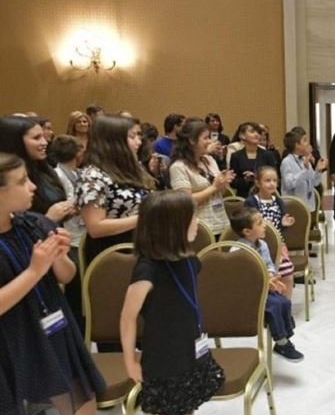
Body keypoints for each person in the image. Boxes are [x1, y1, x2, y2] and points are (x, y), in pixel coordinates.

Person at [0, 152, 104, 415]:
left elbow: (67, 276)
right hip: (11, 340)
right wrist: (34, 271)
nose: (33, 186)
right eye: (22, 181)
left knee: (82, 409)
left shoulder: (34, 223)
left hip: (54, 331)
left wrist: (58, 257)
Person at [120, 191, 225, 415]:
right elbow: (127, 317)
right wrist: (129, 360)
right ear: (173, 226)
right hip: (163, 356)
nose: (198, 222)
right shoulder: (147, 269)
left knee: (187, 407)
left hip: (189, 346)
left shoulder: (187, 259)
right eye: (192, 217)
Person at [77, 116, 155, 278]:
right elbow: (96, 227)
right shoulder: (92, 175)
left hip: (140, 244)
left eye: (138, 136)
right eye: (132, 136)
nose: (138, 142)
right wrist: (146, 217)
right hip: (112, 253)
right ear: (113, 141)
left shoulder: (130, 169)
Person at [229, 207, 303, 362]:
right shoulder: (238, 251)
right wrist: (265, 280)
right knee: (275, 305)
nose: (265, 225)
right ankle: (282, 342)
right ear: (247, 231)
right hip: (248, 294)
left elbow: (269, 265)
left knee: (283, 301)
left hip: (263, 289)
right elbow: (242, 278)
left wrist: (271, 276)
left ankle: (286, 332)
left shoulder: (262, 244)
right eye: (260, 223)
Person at [169, 120, 235, 239]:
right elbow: (185, 202)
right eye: (205, 138)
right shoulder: (179, 167)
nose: (209, 141)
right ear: (192, 140)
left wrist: (223, 183)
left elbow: (220, 193)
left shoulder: (209, 160)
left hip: (221, 222)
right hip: (199, 228)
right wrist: (214, 187)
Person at [51, 135, 87, 327]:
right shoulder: (57, 175)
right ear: (77, 152)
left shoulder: (80, 173)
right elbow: (63, 207)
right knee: (74, 287)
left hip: (82, 234)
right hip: (69, 235)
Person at [244, 166, 296, 298]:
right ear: (258, 183)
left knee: (287, 273)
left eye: (275, 180)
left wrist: (284, 224)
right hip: (258, 245)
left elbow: (280, 226)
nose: (272, 183)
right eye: (267, 180)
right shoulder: (251, 202)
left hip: (278, 245)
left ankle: (285, 305)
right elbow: (250, 223)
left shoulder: (278, 201)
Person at [280, 128, 326, 212]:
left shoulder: (305, 160)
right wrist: (305, 169)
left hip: (309, 205)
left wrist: (318, 171)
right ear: (297, 145)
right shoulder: (286, 162)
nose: (308, 143)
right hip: (294, 206)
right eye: (304, 140)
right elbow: (289, 183)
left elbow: (315, 183)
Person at [229, 122, 278, 198]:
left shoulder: (268, 155)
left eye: (258, 132)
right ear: (242, 135)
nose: (256, 135)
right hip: (244, 197)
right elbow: (233, 181)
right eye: (252, 132)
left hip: (265, 196)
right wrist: (245, 180)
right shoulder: (236, 156)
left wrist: (255, 177)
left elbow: (276, 178)